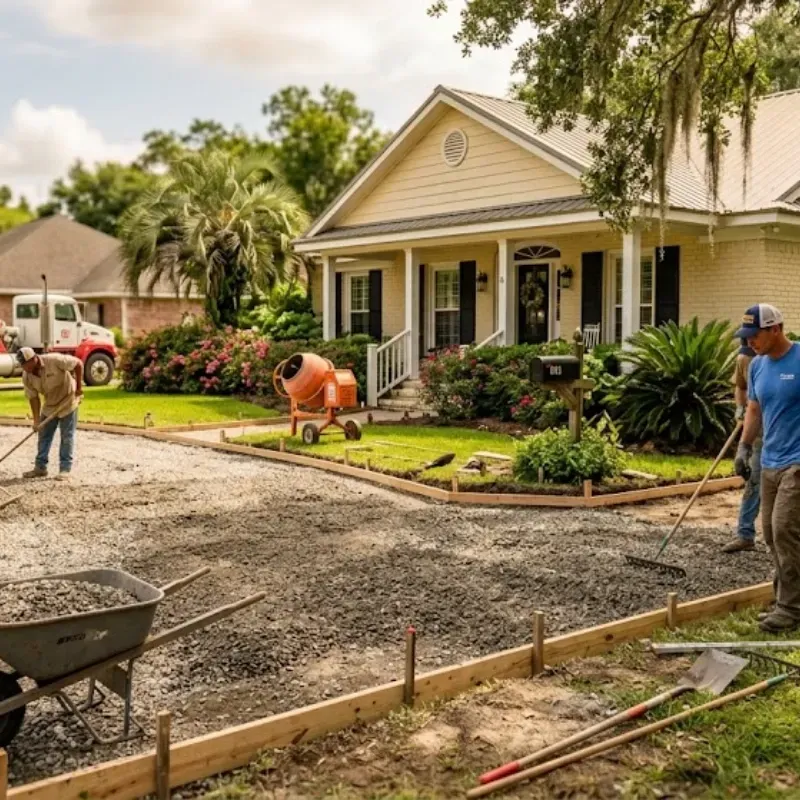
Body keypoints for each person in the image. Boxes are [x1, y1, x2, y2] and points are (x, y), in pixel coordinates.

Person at [734, 304, 800, 632]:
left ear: (776, 329)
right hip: (769, 459)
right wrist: (744, 448)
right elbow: (754, 410)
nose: (751, 342)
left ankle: (790, 609)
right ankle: (784, 599)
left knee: (786, 529)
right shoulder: (757, 366)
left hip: (797, 463)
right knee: (772, 535)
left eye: (755, 335)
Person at [17, 347, 83, 480]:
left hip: (68, 401)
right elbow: (33, 398)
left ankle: (65, 469)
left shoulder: (54, 360)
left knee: (66, 436)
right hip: (50, 405)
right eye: (22, 365)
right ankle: (40, 467)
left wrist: (79, 388)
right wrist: (36, 421)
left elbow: (78, 363)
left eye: (26, 364)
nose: (25, 368)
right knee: (44, 435)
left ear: (34, 358)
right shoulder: (27, 376)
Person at [722, 339, 761, 553]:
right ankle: (745, 535)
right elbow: (741, 386)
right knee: (754, 481)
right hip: (757, 433)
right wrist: (740, 408)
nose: (751, 352)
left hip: (784, 435)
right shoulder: (744, 358)